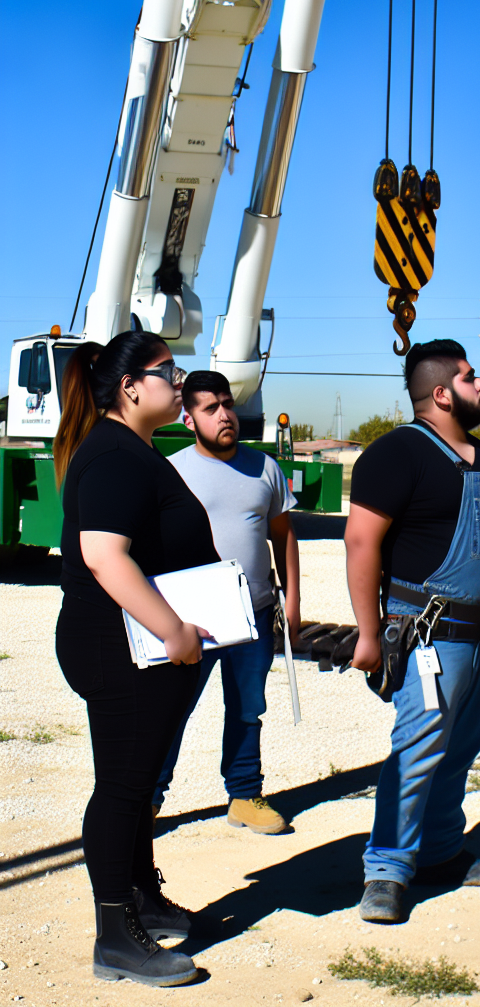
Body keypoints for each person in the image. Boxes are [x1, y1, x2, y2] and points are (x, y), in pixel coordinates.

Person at [53, 332, 218, 987]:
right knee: (123, 786)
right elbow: (104, 555)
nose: (180, 383)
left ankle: (142, 897)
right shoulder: (117, 454)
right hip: (119, 644)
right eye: (167, 372)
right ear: (129, 387)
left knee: (137, 779)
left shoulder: (134, 448)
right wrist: (175, 631)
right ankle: (116, 937)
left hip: (132, 643)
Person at [345, 339, 480, 924]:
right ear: (441, 393)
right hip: (427, 640)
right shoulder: (397, 455)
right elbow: (361, 543)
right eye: (470, 377)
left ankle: (440, 850)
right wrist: (369, 634)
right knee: (417, 750)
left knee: (459, 748)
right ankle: (386, 870)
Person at [151, 371, 299, 834]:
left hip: (253, 614)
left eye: (227, 404)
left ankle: (244, 794)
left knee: (247, 707)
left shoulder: (264, 467)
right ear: (189, 419)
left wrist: (292, 602)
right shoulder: (171, 471)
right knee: (171, 709)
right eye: (210, 408)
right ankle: (145, 800)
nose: (224, 415)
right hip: (192, 619)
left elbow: (283, 535)